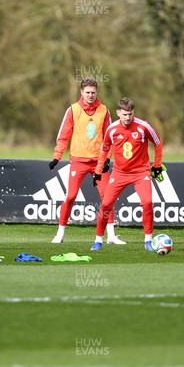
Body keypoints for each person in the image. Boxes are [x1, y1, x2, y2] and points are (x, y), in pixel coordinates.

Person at [49, 77, 125, 244]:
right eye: (87, 92)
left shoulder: (104, 110)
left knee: (108, 198)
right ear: (81, 92)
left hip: (99, 162)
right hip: (78, 161)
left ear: (97, 92)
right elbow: (63, 135)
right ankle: (60, 234)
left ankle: (111, 236)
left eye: (93, 92)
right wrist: (57, 156)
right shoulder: (73, 110)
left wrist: (107, 158)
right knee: (70, 197)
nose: (90, 95)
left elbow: (110, 137)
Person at [90, 97, 163, 251]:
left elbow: (157, 142)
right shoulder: (112, 129)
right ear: (118, 113)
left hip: (140, 172)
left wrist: (156, 166)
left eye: (130, 114)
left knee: (147, 203)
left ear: (133, 112)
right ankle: (98, 240)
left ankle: (148, 241)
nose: (128, 117)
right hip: (119, 173)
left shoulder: (143, 127)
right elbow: (104, 149)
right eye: (124, 114)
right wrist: (98, 170)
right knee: (106, 205)